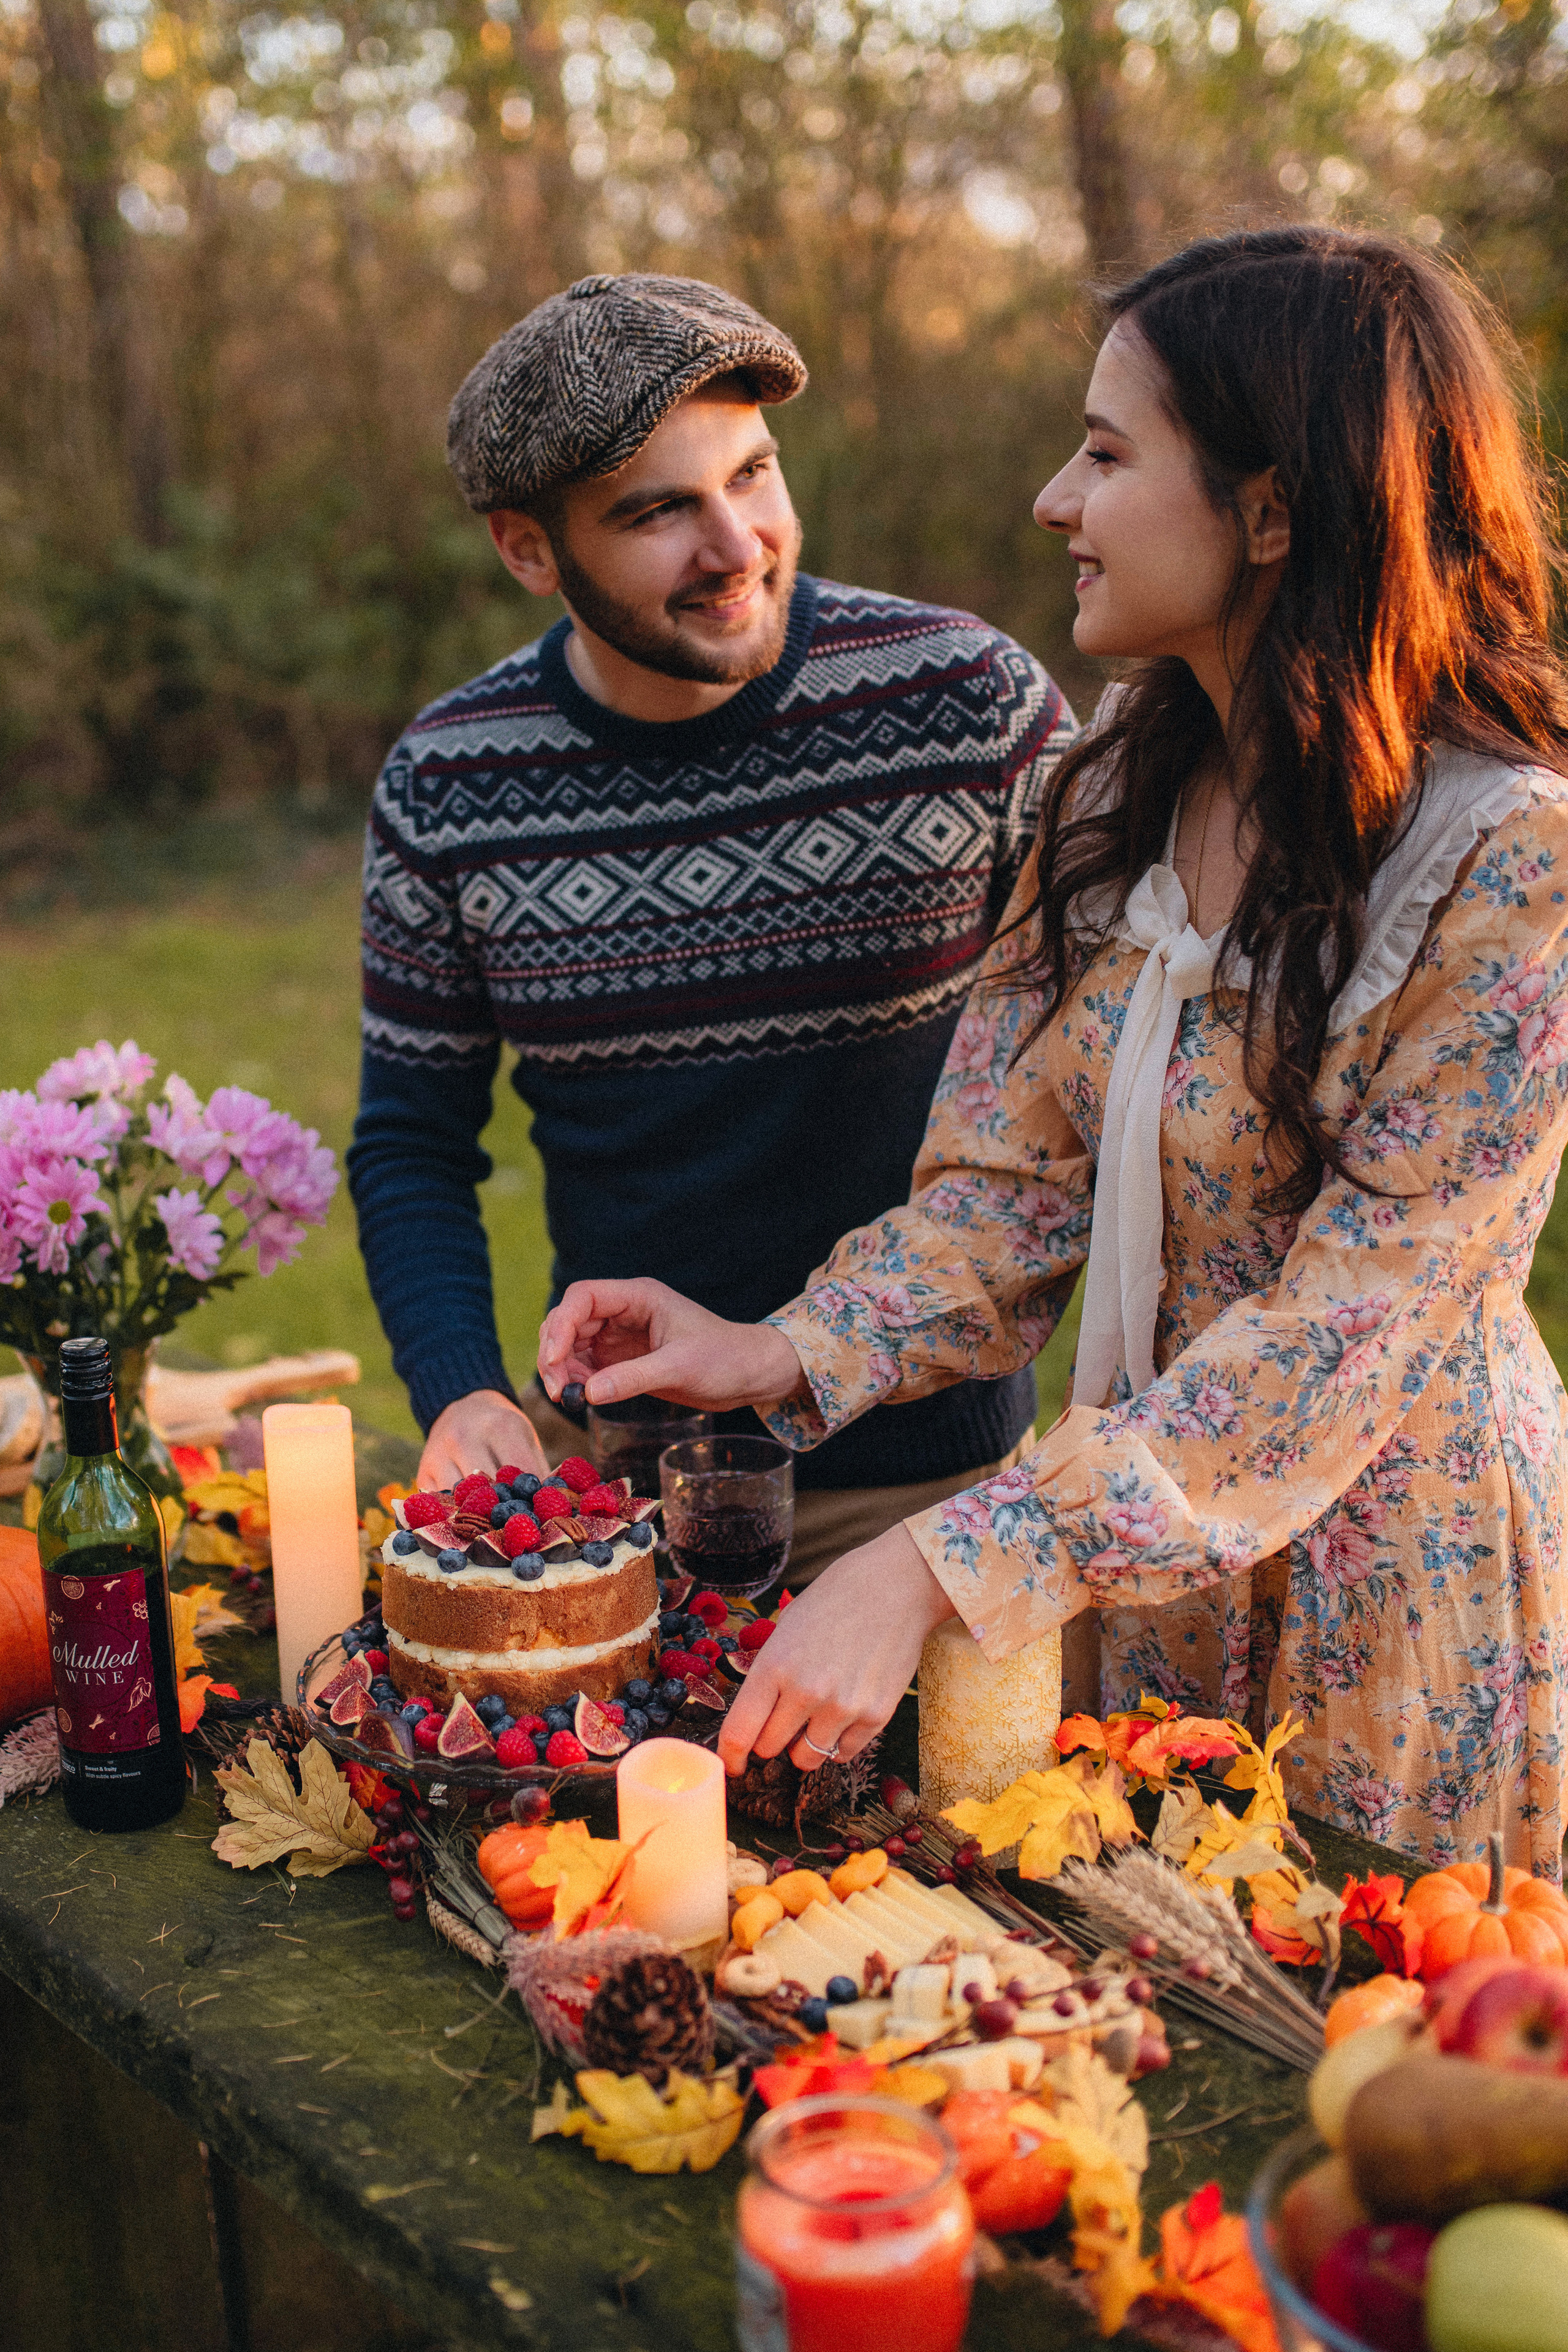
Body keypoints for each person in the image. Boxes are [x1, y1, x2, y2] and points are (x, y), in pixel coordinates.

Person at [538, 227, 1568, 1874]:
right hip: (1130, 1564)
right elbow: (1008, 1195)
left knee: (1376, 2057)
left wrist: (943, 1562)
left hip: (1391, 1583)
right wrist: (779, 1350)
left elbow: (1344, 1337)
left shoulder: (1513, 863)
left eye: (1104, 452)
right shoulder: (1106, 796)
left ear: (1274, 508)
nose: (1053, 502)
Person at [347, 272, 1075, 1579]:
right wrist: (460, 1388)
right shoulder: (445, 782)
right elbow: (409, 1140)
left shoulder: (968, 706)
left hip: (938, 1493)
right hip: (623, 1504)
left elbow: (1108, 1078)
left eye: (751, 475)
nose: (736, 544)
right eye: (659, 511)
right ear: (527, 549)